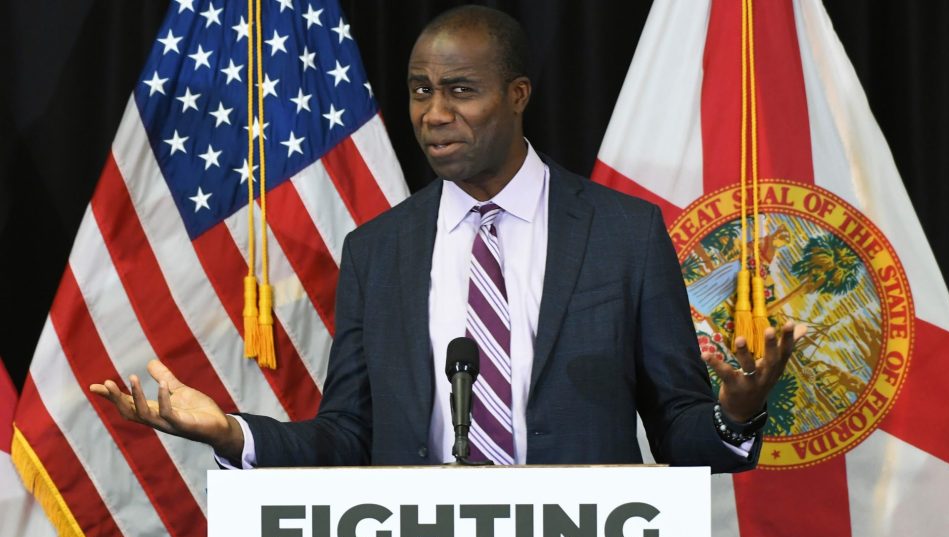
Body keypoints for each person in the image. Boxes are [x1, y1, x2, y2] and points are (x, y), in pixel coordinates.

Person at [91, 6, 800, 472]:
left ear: (516, 95)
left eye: (460, 90)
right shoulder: (379, 249)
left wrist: (734, 414)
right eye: (419, 90)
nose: (433, 114)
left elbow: (682, 432)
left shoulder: (622, 234)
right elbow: (346, 437)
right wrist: (231, 434)